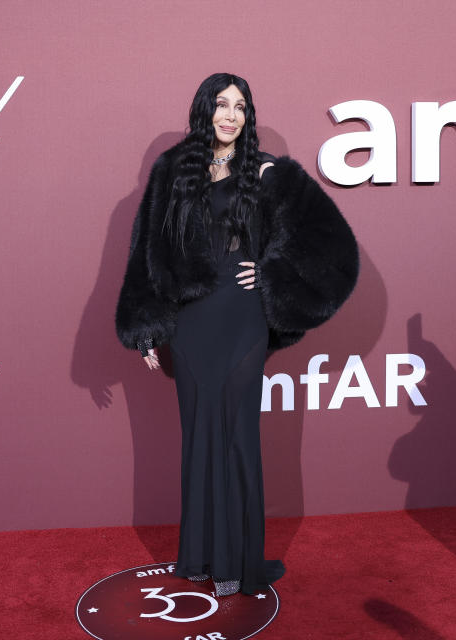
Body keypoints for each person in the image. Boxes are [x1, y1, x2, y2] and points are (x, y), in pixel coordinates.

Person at [115, 73, 359, 596]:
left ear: (248, 116)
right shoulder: (172, 172)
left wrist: (271, 273)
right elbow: (148, 253)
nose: (230, 115)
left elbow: (333, 250)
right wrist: (146, 327)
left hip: (243, 318)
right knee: (199, 439)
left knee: (239, 439)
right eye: (221, 105)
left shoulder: (270, 173)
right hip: (190, 324)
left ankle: (242, 563)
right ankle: (202, 557)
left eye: (240, 107)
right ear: (203, 111)